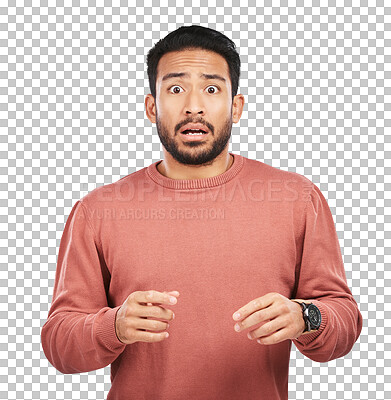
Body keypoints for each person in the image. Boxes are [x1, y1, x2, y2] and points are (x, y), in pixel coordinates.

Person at [41, 25, 363, 400]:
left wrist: (305, 317)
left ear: (236, 106)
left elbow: (344, 323)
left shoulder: (297, 198)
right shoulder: (98, 210)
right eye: (175, 89)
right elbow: (59, 345)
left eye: (212, 89)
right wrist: (113, 326)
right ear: (151, 107)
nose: (193, 105)